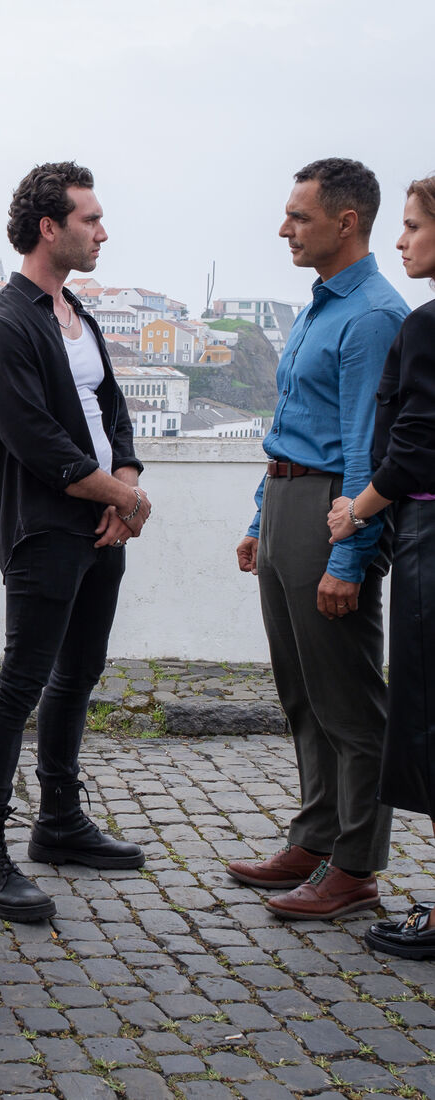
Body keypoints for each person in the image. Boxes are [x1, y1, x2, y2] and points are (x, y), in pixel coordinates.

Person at [0, 162, 150, 923]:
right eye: (90, 220)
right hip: (45, 531)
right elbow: (37, 442)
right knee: (20, 686)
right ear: (50, 227)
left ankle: (60, 823)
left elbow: (114, 414)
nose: (102, 232)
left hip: (102, 525)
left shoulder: (79, 313)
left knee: (79, 677)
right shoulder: (3, 326)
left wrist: (125, 489)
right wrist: (123, 497)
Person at [228, 159, 409, 920]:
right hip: (288, 504)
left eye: (299, 217)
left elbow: (366, 446)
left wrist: (348, 555)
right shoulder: (317, 307)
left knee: (348, 699)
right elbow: (294, 424)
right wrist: (258, 518)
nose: (284, 229)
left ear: (346, 221)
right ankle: (315, 836)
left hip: (334, 510)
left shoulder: (372, 314)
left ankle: (357, 866)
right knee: (302, 693)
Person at [325, 174, 435, 956]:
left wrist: (355, 511)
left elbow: (414, 446)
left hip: (428, 532)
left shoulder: (425, 326)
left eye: (413, 227)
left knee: (427, 719)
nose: (402, 243)